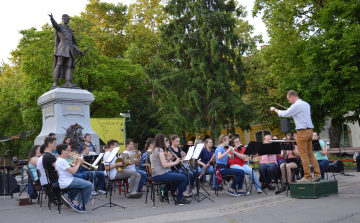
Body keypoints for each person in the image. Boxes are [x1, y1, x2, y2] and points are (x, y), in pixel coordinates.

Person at [270, 90, 321, 182]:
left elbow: (284, 114)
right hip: (310, 131)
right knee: (310, 153)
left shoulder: (296, 105)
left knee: (303, 154)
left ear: (292, 97)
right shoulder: (306, 104)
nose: (289, 102)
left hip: (302, 132)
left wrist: (274, 109)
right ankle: (317, 174)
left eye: (289, 99)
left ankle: (307, 176)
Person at [48, 13, 87, 88]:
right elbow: (55, 25)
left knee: (69, 65)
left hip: (70, 49)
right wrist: (52, 19)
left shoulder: (70, 31)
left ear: (68, 20)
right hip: (62, 48)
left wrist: (80, 52)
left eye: (66, 18)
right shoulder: (60, 28)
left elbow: (73, 43)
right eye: (63, 18)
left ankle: (67, 82)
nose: (64, 20)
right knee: (59, 64)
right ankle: (55, 83)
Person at [150, 133, 190, 205]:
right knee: (183, 178)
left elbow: (162, 163)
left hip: (157, 175)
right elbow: (165, 165)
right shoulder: (160, 150)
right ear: (161, 141)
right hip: (160, 175)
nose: (166, 142)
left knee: (181, 174)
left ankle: (165, 191)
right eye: (165, 140)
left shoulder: (155, 149)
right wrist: (176, 162)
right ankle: (179, 198)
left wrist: (169, 160)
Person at [55, 143, 93, 213]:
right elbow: (73, 171)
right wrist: (78, 163)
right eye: (68, 150)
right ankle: (77, 203)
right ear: (63, 151)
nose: (70, 151)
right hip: (66, 182)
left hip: (68, 180)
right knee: (89, 185)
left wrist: (76, 163)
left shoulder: (62, 160)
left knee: (84, 182)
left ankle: (69, 196)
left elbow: (70, 169)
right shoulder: (61, 161)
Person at [42, 136, 61, 205]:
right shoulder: (49, 156)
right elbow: (60, 168)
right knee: (79, 177)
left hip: (53, 180)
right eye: (55, 143)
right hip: (55, 181)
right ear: (50, 144)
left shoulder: (47, 155)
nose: (56, 145)